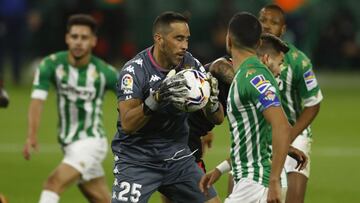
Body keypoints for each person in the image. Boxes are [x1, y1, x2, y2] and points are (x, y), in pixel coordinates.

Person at [111, 11, 224, 203]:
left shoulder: (190, 65)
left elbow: (218, 119)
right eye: (178, 39)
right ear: (159, 39)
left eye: (187, 39)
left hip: (177, 157)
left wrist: (211, 102)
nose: (184, 46)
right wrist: (156, 98)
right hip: (137, 160)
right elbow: (128, 124)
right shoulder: (134, 71)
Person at [199, 12, 298, 203]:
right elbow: (255, 139)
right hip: (253, 180)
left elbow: (282, 126)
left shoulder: (253, 76)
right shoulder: (246, 74)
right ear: (258, 43)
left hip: (257, 184)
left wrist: (274, 180)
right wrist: (220, 170)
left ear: (228, 40)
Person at [22, 14, 118, 203]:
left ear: (93, 41)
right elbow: (37, 100)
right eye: (74, 36)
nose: (78, 42)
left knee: (53, 183)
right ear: (67, 38)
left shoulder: (105, 72)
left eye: (84, 38)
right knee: (102, 199)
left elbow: (130, 97)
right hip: (68, 144)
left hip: (91, 142)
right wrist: (31, 135)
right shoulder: (51, 65)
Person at [259, 5, 323, 203]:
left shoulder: (298, 61)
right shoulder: (247, 58)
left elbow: (313, 104)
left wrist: (289, 136)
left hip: (294, 134)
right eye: (263, 21)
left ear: (283, 29)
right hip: (258, 133)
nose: (267, 26)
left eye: (274, 22)